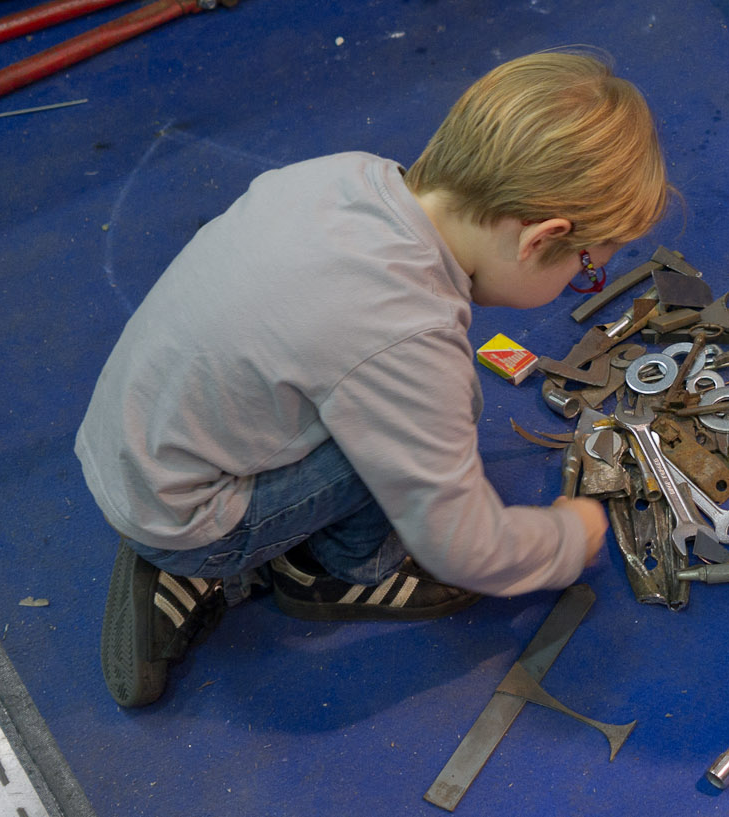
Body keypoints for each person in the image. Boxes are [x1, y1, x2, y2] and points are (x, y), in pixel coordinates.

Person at [78, 51, 667, 708]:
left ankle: (183, 538)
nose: (580, 286)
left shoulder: (345, 177)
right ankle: (339, 572)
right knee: (434, 423)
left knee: (414, 408)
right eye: (586, 270)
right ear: (537, 240)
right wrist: (565, 537)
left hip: (132, 439)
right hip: (184, 510)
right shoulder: (406, 334)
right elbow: (465, 546)